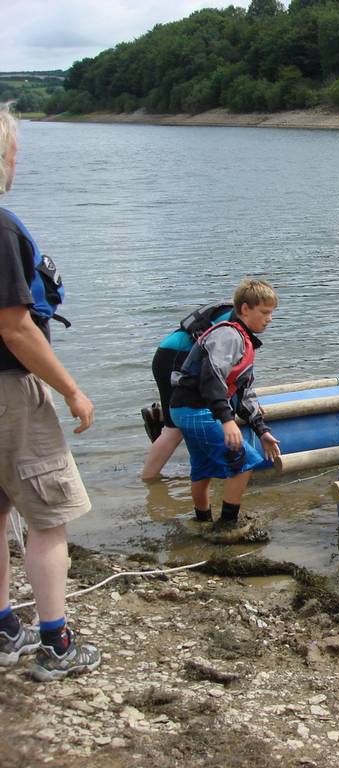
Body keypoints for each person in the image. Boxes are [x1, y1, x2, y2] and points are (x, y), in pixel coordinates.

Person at [0, 104, 102, 681]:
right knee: (48, 518)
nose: (17, 160)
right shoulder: (2, 227)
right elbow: (14, 326)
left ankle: (3, 629)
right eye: (13, 150)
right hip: (10, 393)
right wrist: (70, 389)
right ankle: (56, 644)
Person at [168, 278, 282, 538]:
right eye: (264, 312)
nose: (270, 319)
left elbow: (243, 393)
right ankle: (228, 526)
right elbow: (211, 378)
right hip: (195, 410)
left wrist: (261, 429)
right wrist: (227, 420)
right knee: (245, 462)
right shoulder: (228, 335)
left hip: (187, 410)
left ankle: (201, 523)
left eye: (272, 313)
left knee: (202, 469)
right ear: (244, 309)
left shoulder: (244, 340)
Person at [140, 301, 233, 481]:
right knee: (174, 428)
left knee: (176, 420)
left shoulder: (233, 312)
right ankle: (149, 478)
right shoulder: (232, 320)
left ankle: (157, 416)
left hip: (168, 353)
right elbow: (221, 367)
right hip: (174, 357)